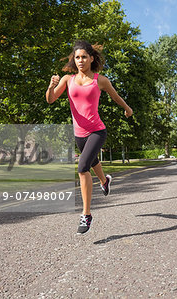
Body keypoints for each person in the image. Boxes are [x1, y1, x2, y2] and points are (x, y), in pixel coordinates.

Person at [46, 40, 133, 234]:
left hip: (97, 131)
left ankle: (86, 215)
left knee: (83, 167)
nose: (80, 60)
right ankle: (105, 181)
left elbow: (115, 96)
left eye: (84, 57)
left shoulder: (99, 80)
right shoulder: (68, 80)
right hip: (79, 134)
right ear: (74, 60)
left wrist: (127, 109)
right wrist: (51, 86)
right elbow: (51, 100)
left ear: (91, 58)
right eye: (77, 57)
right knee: (93, 162)